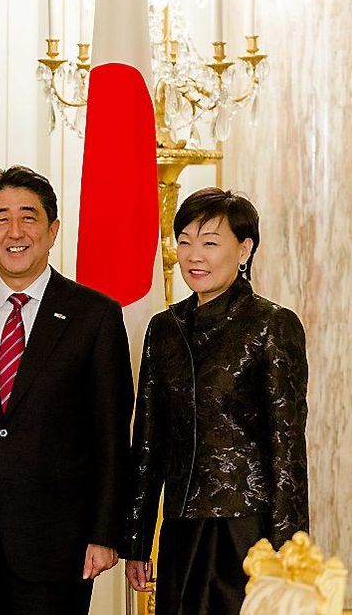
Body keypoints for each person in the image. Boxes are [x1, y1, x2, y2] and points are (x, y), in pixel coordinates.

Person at [0, 165, 133, 614]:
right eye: (1, 218)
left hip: (59, 547)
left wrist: (105, 533)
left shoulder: (94, 316)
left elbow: (111, 436)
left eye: (29, 217)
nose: (15, 231)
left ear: (53, 230)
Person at [123, 187, 309, 615]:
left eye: (209, 242)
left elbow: (287, 447)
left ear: (244, 250)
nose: (193, 255)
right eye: (184, 241)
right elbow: (148, 441)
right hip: (180, 527)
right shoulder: (163, 329)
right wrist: (136, 538)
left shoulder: (272, 324)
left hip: (247, 529)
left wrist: (289, 550)